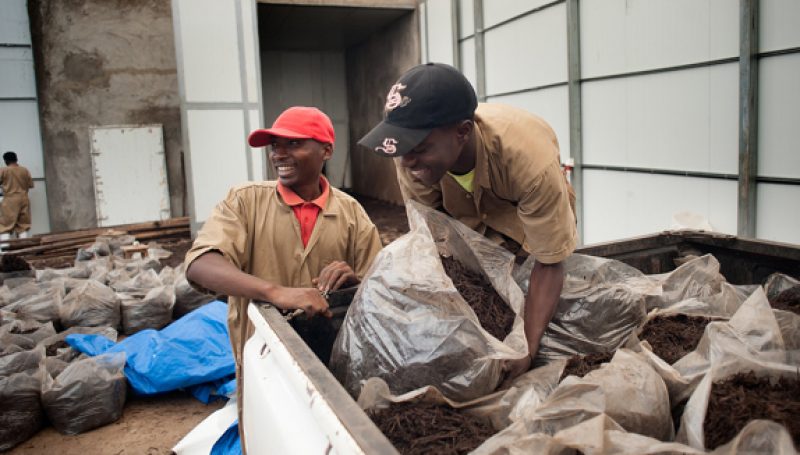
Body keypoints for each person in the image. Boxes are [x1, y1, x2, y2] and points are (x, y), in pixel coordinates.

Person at [358, 63, 577, 384]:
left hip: (525, 227)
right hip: (469, 223)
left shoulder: (530, 164)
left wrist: (526, 349)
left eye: (418, 147)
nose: (405, 162)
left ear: (462, 132)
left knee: (534, 294)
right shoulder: (409, 159)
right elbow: (434, 240)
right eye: (402, 148)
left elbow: (550, 260)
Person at [185, 106, 383, 446]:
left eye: (293, 144)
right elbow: (200, 263)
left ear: (326, 150)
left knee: (326, 438)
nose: (278, 153)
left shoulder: (351, 213)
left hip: (332, 363)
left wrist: (354, 281)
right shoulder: (245, 202)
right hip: (262, 356)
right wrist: (275, 292)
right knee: (268, 438)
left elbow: (382, 288)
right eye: (274, 144)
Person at [0, 151, 35, 243]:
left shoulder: (4, 170)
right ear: (16, 159)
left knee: (5, 226)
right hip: (24, 198)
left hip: (10, 200)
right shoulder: (24, 170)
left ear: (6, 160)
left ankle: (5, 251)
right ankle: (24, 251)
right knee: (23, 226)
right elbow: (31, 185)